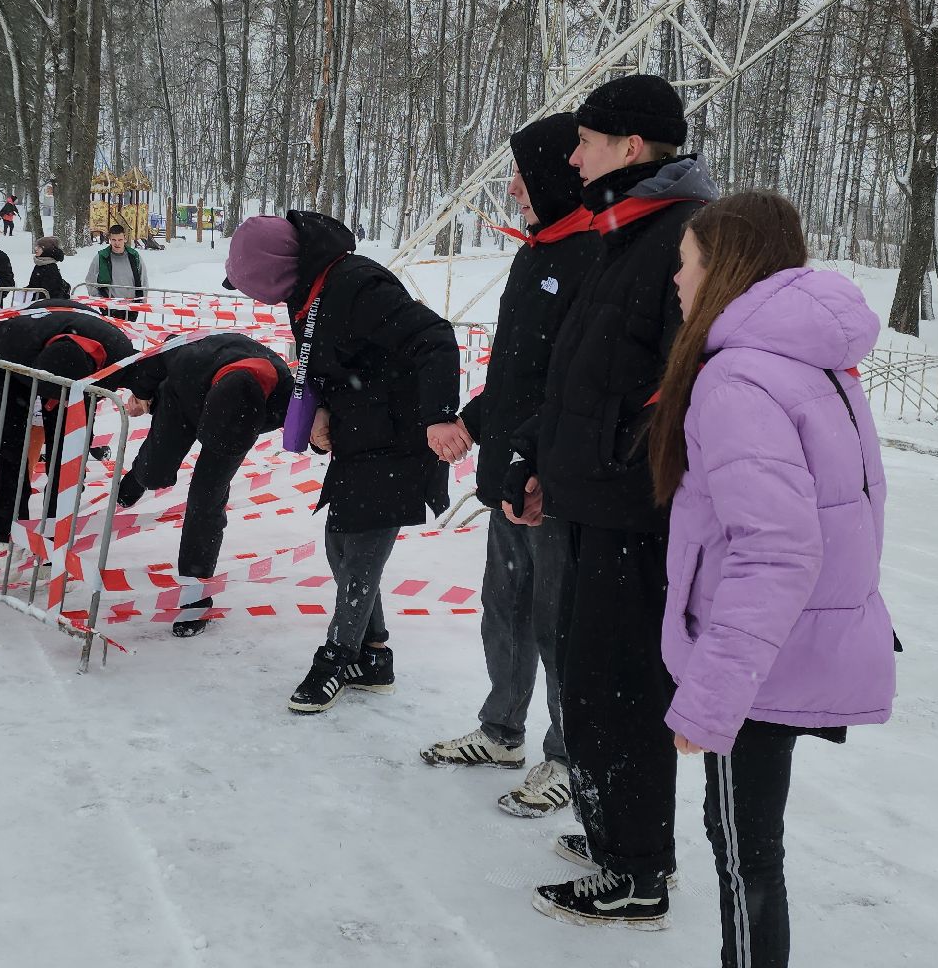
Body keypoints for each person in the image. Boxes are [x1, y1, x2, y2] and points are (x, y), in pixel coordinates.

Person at [651, 191, 896, 966]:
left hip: (758, 661)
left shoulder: (739, 379)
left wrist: (713, 696)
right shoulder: (811, 363)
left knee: (745, 855)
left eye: (686, 264)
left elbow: (776, 549)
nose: (678, 282)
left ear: (722, 266)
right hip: (791, 641)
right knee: (752, 847)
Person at [504, 74, 719, 928]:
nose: (572, 153)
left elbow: (678, 393)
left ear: (631, 149)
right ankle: (614, 837)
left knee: (619, 689)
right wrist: (545, 465)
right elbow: (584, 380)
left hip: (636, 517)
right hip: (588, 500)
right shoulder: (621, 233)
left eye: (585, 139)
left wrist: (611, 473)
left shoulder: (680, 240)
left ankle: (637, 873)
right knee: (589, 681)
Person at [420, 113, 602, 820]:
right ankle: (501, 730)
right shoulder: (538, 251)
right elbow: (519, 372)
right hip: (508, 468)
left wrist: (531, 453)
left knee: (559, 622)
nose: (512, 188)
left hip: (552, 477)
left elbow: (572, 384)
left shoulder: (594, 253)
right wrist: (473, 421)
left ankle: (568, 754)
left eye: (523, 174)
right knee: (508, 608)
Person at [224, 212, 465, 714]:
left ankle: (337, 657)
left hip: (401, 437)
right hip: (361, 433)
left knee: (360, 555)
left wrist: (440, 416)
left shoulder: (357, 285)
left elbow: (435, 338)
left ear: (274, 270)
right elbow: (332, 361)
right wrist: (321, 411)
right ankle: (373, 656)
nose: (250, 298)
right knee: (341, 546)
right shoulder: (308, 291)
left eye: (250, 286)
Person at [112, 334, 294, 637]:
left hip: (235, 426)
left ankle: (195, 598)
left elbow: (315, 420)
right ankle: (138, 476)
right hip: (183, 398)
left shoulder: (283, 397)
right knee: (155, 473)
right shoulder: (189, 361)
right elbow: (162, 352)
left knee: (205, 501)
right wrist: (142, 393)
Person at [0, 301, 135, 541]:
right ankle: (8, 529)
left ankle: (56, 531)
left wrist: (143, 396)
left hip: (80, 371)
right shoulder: (7, 340)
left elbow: (148, 376)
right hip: (19, 364)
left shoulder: (118, 355)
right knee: (4, 444)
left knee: (69, 455)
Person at [91, 224, 147, 320]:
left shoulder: (134, 256)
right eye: (114, 240)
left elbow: (143, 278)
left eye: (120, 240)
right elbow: (90, 280)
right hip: (109, 306)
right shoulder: (101, 257)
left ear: (125, 238)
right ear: (109, 239)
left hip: (132, 306)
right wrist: (99, 300)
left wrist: (142, 299)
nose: (117, 243)